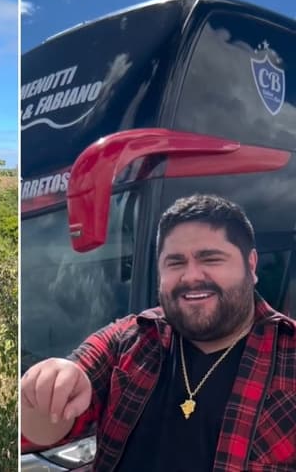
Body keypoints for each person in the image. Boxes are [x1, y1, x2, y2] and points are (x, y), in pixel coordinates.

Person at [20, 194, 296, 471]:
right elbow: (46, 428)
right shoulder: (129, 340)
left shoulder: (289, 357)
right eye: (175, 263)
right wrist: (47, 388)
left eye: (211, 259)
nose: (191, 276)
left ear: (251, 265)